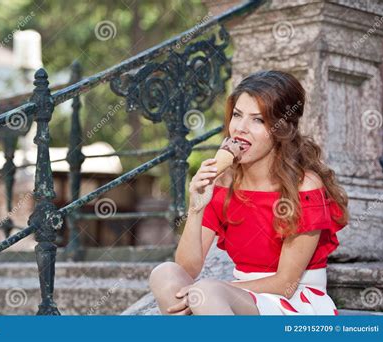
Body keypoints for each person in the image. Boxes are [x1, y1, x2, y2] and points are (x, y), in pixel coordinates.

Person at [149, 70, 349, 315]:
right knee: (164, 274)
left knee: (207, 293)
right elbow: (187, 269)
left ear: (281, 128)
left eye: (258, 120)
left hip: (296, 301)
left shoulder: (304, 186)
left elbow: (284, 284)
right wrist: (197, 206)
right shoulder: (223, 182)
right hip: (238, 296)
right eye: (237, 115)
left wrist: (211, 290)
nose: (240, 128)